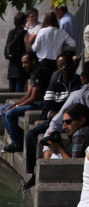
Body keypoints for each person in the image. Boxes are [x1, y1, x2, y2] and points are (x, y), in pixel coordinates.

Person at [22, 52, 81, 189]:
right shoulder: (54, 84)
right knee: (30, 134)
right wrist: (61, 116)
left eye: (66, 64)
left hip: (75, 122)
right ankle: (32, 173)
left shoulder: (79, 83)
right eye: (60, 65)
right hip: (55, 120)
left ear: (73, 64)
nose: (64, 68)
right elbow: (46, 109)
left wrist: (69, 119)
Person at [0, 50, 46, 152]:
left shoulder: (38, 72)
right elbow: (27, 95)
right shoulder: (32, 73)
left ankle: (18, 143)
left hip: (40, 104)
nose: (23, 65)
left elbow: (32, 98)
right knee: (3, 109)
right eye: (22, 63)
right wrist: (13, 105)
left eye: (25, 62)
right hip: (34, 102)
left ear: (33, 61)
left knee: (10, 113)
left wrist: (15, 107)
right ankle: (14, 140)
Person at [30, 10, 75, 76]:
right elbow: (73, 43)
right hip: (56, 61)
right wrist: (63, 49)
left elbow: (35, 48)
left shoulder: (42, 31)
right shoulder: (61, 32)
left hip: (43, 61)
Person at [4, 11, 28, 92]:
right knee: (18, 90)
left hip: (12, 64)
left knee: (11, 89)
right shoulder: (24, 33)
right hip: (21, 63)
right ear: (24, 21)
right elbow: (27, 48)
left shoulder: (11, 32)